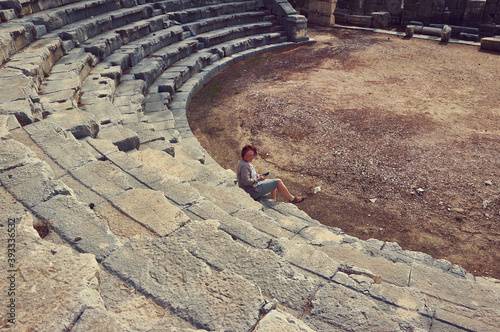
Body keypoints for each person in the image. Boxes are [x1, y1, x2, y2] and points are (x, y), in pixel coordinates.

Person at [236, 145, 305, 203]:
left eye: (253, 155)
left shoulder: (242, 162)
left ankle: (273, 201)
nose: (252, 157)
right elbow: (246, 181)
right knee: (278, 182)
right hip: (251, 191)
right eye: (249, 155)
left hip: (250, 188)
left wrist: (257, 175)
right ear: (243, 154)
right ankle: (292, 199)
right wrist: (259, 179)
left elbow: (248, 174)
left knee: (273, 182)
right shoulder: (245, 166)